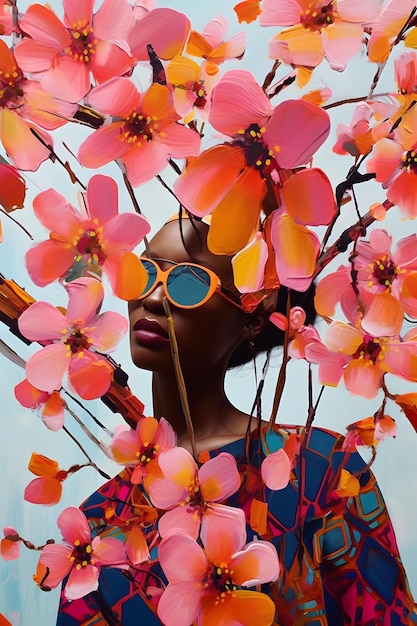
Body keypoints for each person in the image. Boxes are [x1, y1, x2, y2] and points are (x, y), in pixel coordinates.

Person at [55, 216, 417, 626]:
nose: (153, 299)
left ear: (252, 319)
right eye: (144, 273)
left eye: (188, 282)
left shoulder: (321, 470)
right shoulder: (99, 521)